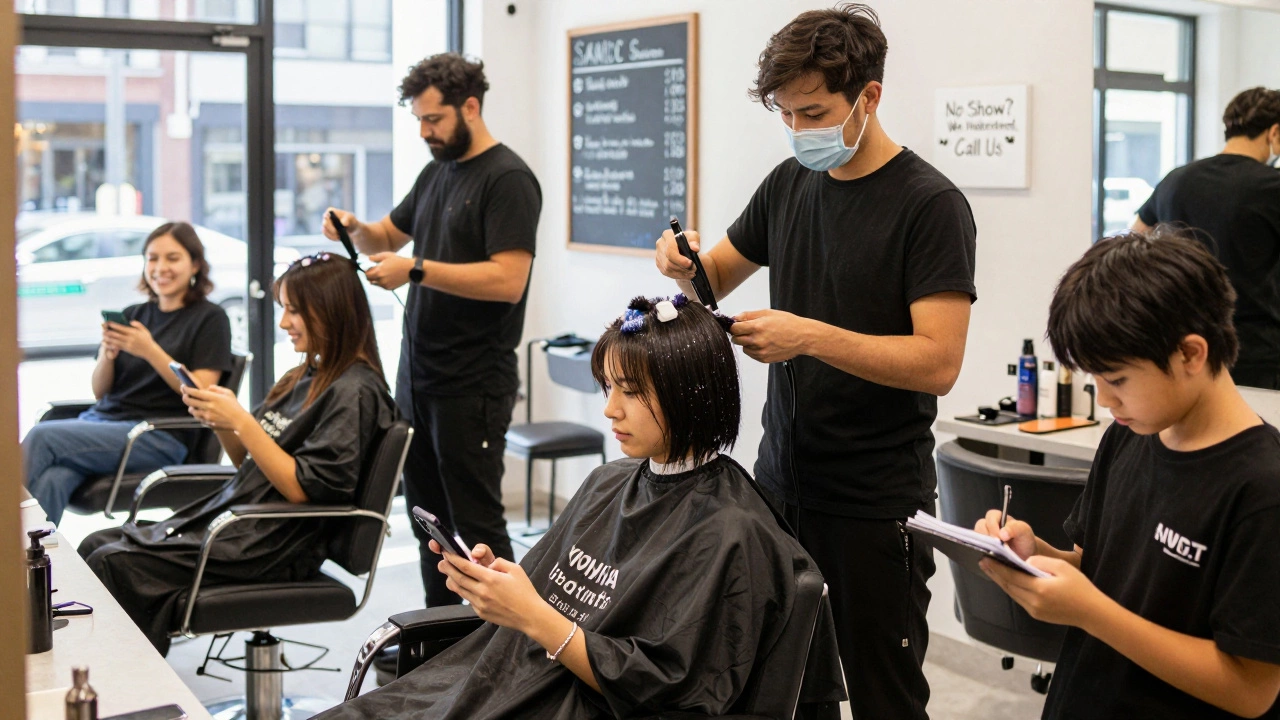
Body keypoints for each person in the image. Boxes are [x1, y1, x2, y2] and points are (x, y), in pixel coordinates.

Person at [653, 5, 975, 717]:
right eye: (787, 115)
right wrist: (679, 263)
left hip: (874, 503)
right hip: (781, 485)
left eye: (814, 112)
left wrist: (809, 336)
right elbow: (714, 277)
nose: (800, 131)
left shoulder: (930, 207)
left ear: (869, 96)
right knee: (788, 688)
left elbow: (939, 362)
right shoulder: (787, 185)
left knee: (883, 694)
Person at [317, 295, 846, 719]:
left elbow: (672, 689)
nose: (610, 408)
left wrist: (536, 618)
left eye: (631, 391)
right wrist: (497, 588)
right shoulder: (607, 482)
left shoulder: (732, 532)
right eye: (608, 386)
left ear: (692, 394)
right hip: (515, 680)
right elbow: (547, 597)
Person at [975, 227, 1280, 719]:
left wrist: (1090, 612)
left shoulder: (1262, 489)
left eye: (1116, 379)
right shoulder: (1130, 433)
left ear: (1190, 354)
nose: (1105, 398)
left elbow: (1251, 689)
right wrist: (1037, 557)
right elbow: (1098, 570)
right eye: (1094, 378)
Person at [78, 252, 399, 655]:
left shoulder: (355, 391)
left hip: (272, 543)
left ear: (332, 311)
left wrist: (244, 422)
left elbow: (306, 490)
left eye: (295, 311)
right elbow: (251, 465)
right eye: (284, 309)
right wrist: (224, 423)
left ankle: (124, 694)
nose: (284, 324)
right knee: (95, 544)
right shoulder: (303, 376)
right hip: (246, 526)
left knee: (112, 563)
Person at [322, 52, 541, 608]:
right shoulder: (435, 171)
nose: (424, 132)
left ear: (470, 106)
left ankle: (499, 653)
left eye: (433, 120)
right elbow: (386, 237)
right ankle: (441, 644)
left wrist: (416, 269)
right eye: (418, 121)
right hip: (419, 379)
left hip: (474, 383)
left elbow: (508, 280)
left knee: (477, 526)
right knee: (431, 524)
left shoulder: (508, 179)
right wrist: (355, 228)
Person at [24, 221, 233, 525]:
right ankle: (24, 567)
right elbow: (100, 392)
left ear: (196, 264)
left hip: (156, 436)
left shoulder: (211, 318)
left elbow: (202, 391)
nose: (161, 267)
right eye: (152, 258)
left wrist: (149, 349)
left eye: (172, 258)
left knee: (43, 437)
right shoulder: (135, 314)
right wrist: (108, 356)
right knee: (55, 479)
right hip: (103, 424)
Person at [1133, 87, 1280, 388]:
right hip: (1258, 352)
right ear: (1274, 132)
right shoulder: (1272, 187)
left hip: (1184, 346)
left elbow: (1135, 240)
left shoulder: (1176, 179)